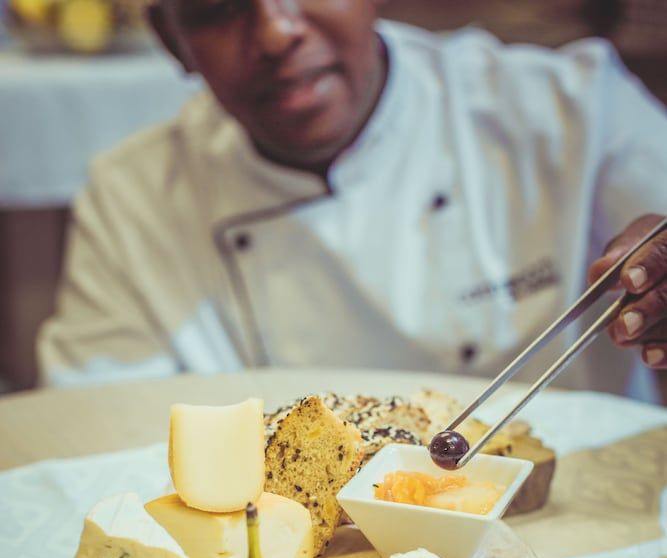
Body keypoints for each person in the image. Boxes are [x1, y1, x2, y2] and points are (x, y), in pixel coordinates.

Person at [36, 0, 667, 399]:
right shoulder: (133, 199)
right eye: (217, 8)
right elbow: (96, 423)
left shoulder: (573, 108)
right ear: (174, 44)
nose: (277, 31)